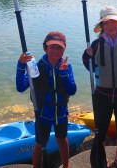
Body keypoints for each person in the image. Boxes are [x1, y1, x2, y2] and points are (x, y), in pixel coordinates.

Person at [82, 6, 117, 167]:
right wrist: (87, 56)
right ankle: (101, 155)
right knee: (101, 127)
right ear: (102, 26)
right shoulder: (96, 43)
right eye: (106, 23)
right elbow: (89, 67)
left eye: (113, 21)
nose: (111, 25)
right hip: (102, 94)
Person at [16, 31, 77, 168]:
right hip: (42, 113)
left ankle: (66, 166)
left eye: (59, 47)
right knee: (40, 144)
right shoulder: (36, 67)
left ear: (64, 49)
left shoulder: (67, 66)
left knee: (62, 139)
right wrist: (21, 65)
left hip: (61, 112)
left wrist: (64, 74)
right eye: (52, 47)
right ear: (45, 48)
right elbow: (20, 87)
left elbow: (72, 90)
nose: (56, 50)